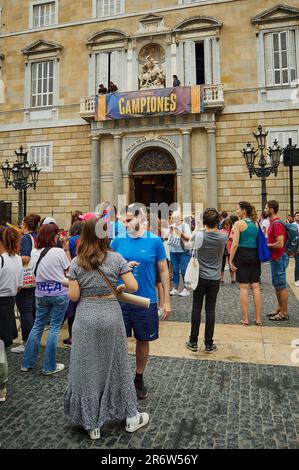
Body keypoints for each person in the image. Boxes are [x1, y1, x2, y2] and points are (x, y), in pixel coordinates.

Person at [64, 218, 149, 440]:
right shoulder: (116, 258)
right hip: (110, 314)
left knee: (87, 366)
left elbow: (73, 296)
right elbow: (133, 287)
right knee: (118, 364)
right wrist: (116, 286)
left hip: (85, 318)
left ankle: (92, 423)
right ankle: (131, 417)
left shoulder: (76, 262)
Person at [111, 204, 171, 400]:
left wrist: (166, 301)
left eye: (128, 219)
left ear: (141, 218)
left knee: (143, 339)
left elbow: (163, 271)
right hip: (120, 299)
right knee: (118, 340)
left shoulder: (154, 241)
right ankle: (118, 377)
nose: (124, 223)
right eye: (123, 219)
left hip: (146, 300)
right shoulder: (117, 241)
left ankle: (138, 377)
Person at [21, 224, 71, 375]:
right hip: (59, 292)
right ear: (53, 236)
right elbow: (69, 268)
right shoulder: (58, 251)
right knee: (54, 328)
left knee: (37, 326)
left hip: (40, 293)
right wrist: (66, 248)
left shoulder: (34, 252)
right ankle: (49, 366)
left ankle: (27, 363)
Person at [185, 208, 227, 353]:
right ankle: (209, 343)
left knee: (196, 308)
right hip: (215, 277)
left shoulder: (198, 236)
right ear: (218, 222)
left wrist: (198, 225)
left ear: (204, 222)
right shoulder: (223, 237)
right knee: (210, 310)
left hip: (199, 276)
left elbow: (190, 243)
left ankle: (193, 341)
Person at [11, 214, 40, 354]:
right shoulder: (37, 236)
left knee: (25, 311)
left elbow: (26, 258)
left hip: (26, 279)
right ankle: (33, 340)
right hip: (36, 277)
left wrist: (12, 256)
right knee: (32, 310)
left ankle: (27, 341)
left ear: (25, 225)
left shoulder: (25, 238)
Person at [229, 201, 262, 326]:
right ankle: (258, 319)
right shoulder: (255, 223)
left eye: (237, 209)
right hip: (254, 255)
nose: (236, 211)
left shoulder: (238, 223)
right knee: (255, 286)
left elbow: (235, 244)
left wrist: (230, 260)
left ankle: (246, 318)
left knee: (243, 287)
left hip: (242, 255)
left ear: (243, 210)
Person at [0, 226, 23, 402]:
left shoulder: (1, 260)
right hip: (9, 302)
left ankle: (2, 385)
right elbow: (19, 286)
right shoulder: (17, 260)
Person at [265, 200, 289, 320]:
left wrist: (267, 245)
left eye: (266, 208)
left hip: (279, 256)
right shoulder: (272, 222)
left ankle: (284, 313)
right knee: (277, 285)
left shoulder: (277, 224)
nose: (264, 210)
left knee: (282, 285)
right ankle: (279, 308)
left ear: (271, 209)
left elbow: (280, 244)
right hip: (275, 257)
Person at [62, 220, 84, 347]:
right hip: (86, 275)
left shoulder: (71, 240)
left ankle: (72, 338)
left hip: (74, 276)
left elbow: (67, 260)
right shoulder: (87, 239)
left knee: (72, 309)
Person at [167, 211, 192, 297]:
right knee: (175, 270)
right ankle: (175, 288)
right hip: (173, 251)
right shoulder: (171, 226)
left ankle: (187, 289)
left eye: (177, 218)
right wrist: (169, 233)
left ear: (180, 218)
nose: (175, 220)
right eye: (174, 218)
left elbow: (189, 238)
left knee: (185, 270)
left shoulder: (185, 226)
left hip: (183, 251)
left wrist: (180, 233)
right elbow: (167, 237)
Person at [219, 218, 235, 285]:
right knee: (222, 265)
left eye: (228, 225)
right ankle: (221, 279)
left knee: (231, 264)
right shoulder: (220, 231)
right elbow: (219, 240)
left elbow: (236, 239)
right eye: (226, 225)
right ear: (223, 225)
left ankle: (232, 279)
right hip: (222, 249)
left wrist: (232, 240)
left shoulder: (233, 231)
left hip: (231, 249)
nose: (227, 226)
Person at [293, 211, 299, 287]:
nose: (298, 216)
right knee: (298, 263)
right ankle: (297, 279)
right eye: (297, 215)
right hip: (296, 248)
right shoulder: (293, 226)